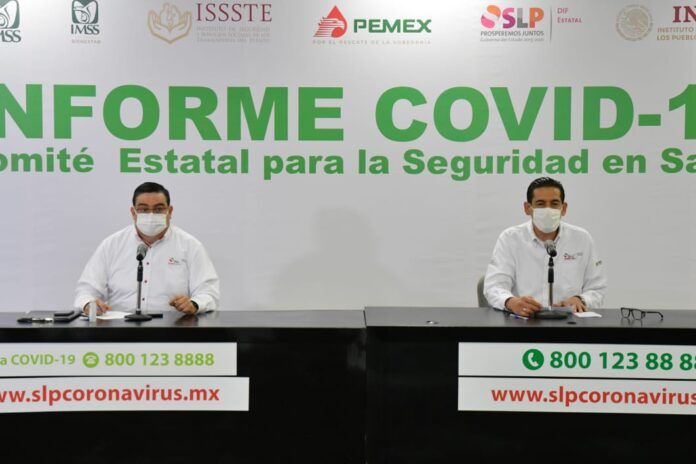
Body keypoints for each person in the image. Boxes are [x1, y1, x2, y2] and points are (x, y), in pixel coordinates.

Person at [74, 182, 220, 315]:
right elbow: (86, 291)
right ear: (133, 213)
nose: (151, 215)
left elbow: (208, 293)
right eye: (143, 209)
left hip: (173, 327)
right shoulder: (112, 245)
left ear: (170, 212)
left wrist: (194, 304)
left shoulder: (190, 246)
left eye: (159, 209)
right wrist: (89, 304)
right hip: (120, 327)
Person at [483, 177, 606, 317]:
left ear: (563, 208)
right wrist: (511, 302)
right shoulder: (510, 239)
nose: (548, 209)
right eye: (540, 204)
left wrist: (581, 299)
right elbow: (494, 286)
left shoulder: (582, 239)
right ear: (528, 208)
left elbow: (597, 289)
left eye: (554, 204)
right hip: (523, 321)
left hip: (570, 322)